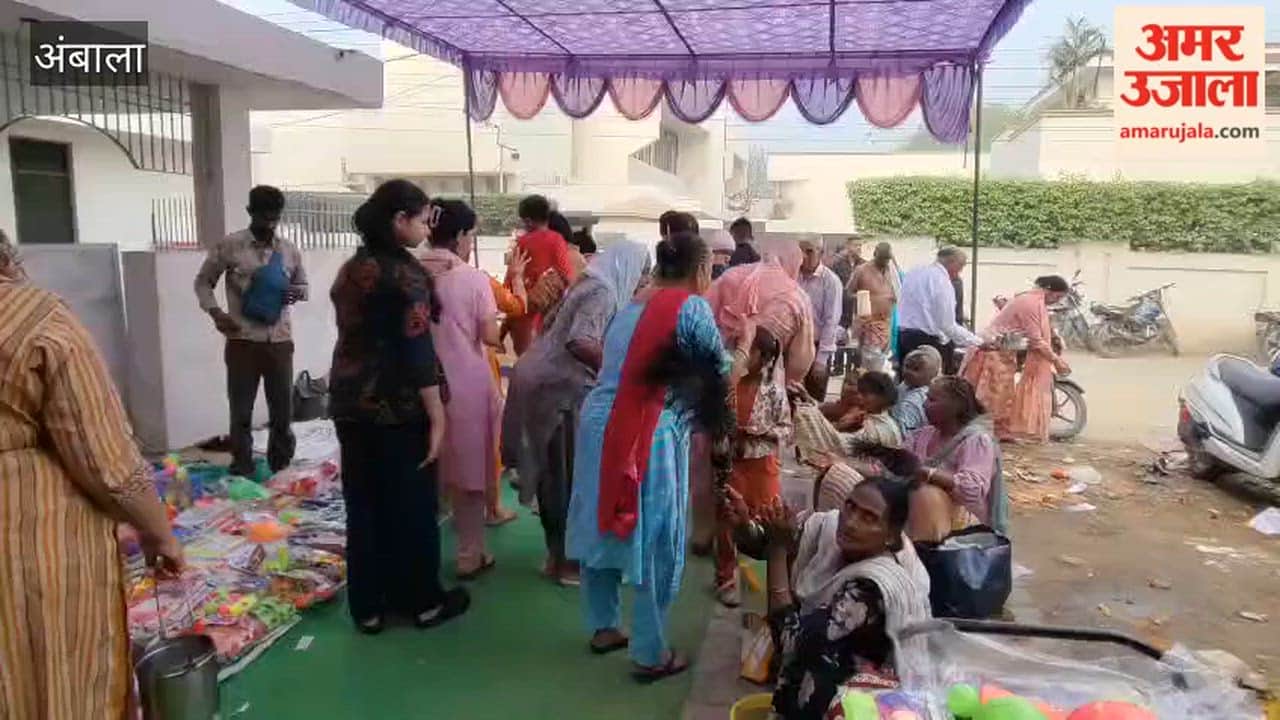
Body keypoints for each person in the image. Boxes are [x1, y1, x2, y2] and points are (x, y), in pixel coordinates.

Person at [0, 231, 185, 718]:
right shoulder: (34, 319)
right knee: (50, 669)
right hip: (29, 539)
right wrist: (158, 531)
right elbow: (106, 460)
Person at [566, 231, 733, 681]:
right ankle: (649, 651)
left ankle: (603, 626)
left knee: (601, 515)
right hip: (649, 428)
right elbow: (718, 369)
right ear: (701, 271)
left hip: (599, 420)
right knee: (657, 534)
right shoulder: (691, 308)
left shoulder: (631, 307)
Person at [329, 180, 468, 633]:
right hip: (397, 404)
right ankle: (423, 602)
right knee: (411, 504)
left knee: (364, 504)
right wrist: (437, 413)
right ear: (399, 220)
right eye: (423, 218)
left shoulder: (352, 270)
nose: (428, 227)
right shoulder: (405, 275)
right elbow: (416, 348)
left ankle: (369, 607)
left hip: (350, 403)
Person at [504, 240, 652, 587]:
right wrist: (617, 370)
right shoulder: (601, 292)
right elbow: (580, 340)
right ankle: (569, 564)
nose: (643, 281)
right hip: (561, 391)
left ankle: (556, 556)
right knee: (568, 479)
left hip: (539, 381)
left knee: (552, 477)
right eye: (643, 273)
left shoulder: (587, 282)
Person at [724, 475, 931, 719]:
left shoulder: (872, 589)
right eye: (851, 506)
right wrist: (745, 524)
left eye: (869, 518)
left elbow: (793, 640)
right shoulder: (828, 528)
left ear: (891, 536)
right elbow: (767, 543)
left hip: (853, 705)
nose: (851, 522)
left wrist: (779, 553)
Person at [195, 185, 307, 477]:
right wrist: (216, 313)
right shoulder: (230, 246)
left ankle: (281, 469)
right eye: (264, 217)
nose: (269, 224)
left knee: (282, 413)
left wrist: (294, 294)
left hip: (280, 342)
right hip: (242, 341)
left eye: (275, 218)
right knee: (241, 413)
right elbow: (203, 282)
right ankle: (242, 468)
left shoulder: (289, 250)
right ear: (250, 213)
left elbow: (302, 286)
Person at [419, 198, 505, 579]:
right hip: (463, 384)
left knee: (420, 468)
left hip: (414, 382)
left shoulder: (406, 272)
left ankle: (416, 557)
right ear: (458, 236)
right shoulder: (472, 279)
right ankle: (470, 554)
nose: (471, 242)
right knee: (469, 470)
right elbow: (489, 335)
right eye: (470, 234)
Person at [715, 328, 790, 607]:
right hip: (732, 462)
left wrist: (759, 432)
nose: (741, 354)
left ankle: (776, 574)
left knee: (767, 516)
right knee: (726, 517)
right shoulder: (730, 383)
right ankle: (726, 577)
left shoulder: (774, 390)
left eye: (749, 350)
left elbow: (786, 430)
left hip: (762, 464)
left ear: (766, 357)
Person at [962, 276, 1072, 443]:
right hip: (992, 350)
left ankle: (1001, 433)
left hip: (1004, 350)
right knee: (993, 397)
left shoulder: (1030, 299)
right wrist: (1056, 360)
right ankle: (975, 434)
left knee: (1003, 395)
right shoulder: (1031, 303)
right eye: (1057, 297)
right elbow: (1036, 339)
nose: (1056, 302)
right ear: (1048, 289)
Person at [904, 376, 1005, 544]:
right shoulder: (922, 435)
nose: (924, 405)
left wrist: (926, 473)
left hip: (961, 525)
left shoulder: (976, 441)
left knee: (926, 495)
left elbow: (972, 490)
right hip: (922, 517)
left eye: (932, 400)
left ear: (954, 407)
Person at [708, 237, 816, 386]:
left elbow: (703, 320)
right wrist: (789, 385)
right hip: (764, 386)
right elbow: (800, 363)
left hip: (717, 376)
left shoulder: (729, 276)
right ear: (794, 263)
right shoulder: (798, 297)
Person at [485, 246, 531, 527]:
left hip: (429, 369)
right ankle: (492, 507)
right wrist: (516, 279)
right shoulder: (476, 279)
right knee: (488, 438)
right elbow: (517, 306)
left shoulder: (418, 272)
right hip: (473, 368)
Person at [506, 194, 577, 355]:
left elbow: (511, 277)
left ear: (528, 221)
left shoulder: (522, 242)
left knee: (524, 357)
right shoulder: (556, 239)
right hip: (550, 309)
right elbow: (567, 275)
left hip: (526, 307)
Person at [896, 247, 982, 375]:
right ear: (951, 261)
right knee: (927, 386)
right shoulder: (941, 281)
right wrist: (978, 342)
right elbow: (947, 325)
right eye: (960, 266)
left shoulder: (915, 271)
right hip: (926, 342)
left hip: (904, 337)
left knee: (908, 381)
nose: (959, 273)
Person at [798, 237, 843, 400]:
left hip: (816, 347)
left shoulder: (831, 281)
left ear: (821, 253)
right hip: (793, 347)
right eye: (801, 251)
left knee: (813, 402)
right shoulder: (792, 276)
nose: (803, 256)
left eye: (809, 251)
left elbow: (831, 322)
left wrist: (821, 360)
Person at [850, 242, 898, 370]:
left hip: (886, 323)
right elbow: (848, 292)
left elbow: (898, 292)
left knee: (882, 363)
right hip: (868, 325)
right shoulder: (861, 270)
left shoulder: (891, 271)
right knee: (870, 366)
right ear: (875, 254)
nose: (884, 262)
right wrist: (862, 298)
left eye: (887, 258)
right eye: (882, 258)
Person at [891, 346, 943, 434]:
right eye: (907, 366)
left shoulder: (912, 402)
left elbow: (903, 433)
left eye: (916, 369)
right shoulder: (905, 385)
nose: (908, 372)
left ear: (932, 374)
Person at [828, 236, 864, 332]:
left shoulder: (864, 265)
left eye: (860, 245)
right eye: (856, 245)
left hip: (859, 314)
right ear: (848, 246)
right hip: (841, 313)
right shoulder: (837, 265)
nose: (859, 248)